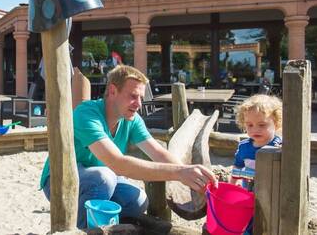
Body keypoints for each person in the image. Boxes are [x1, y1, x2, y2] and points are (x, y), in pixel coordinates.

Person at [40, 65, 217, 229]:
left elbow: (157, 152)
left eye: (141, 97)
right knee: (104, 178)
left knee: (137, 201)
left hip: (100, 177)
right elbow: (118, 164)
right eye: (133, 96)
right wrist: (179, 173)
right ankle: (82, 230)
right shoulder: (86, 113)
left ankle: (111, 226)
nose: (139, 104)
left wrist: (190, 174)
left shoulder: (131, 119)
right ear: (112, 91)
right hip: (59, 180)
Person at [229, 94, 282, 187]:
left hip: (272, 191)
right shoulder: (244, 147)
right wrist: (232, 184)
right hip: (249, 190)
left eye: (262, 125)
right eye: (250, 125)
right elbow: (238, 167)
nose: (255, 130)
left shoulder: (279, 145)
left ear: (276, 124)